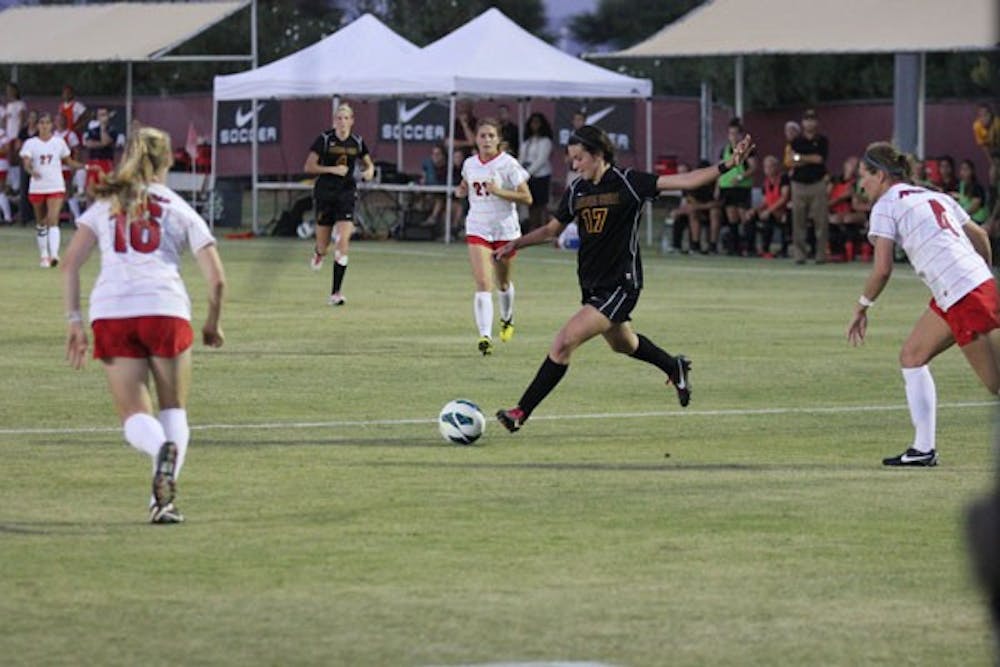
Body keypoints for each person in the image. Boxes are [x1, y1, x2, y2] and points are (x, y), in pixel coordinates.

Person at [494, 125, 753, 432]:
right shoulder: (577, 190)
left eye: (579, 158)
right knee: (623, 344)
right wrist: (516, 243)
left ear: (598, 154)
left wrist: (728, 164)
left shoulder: (629, 183)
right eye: (571, 160)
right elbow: (552, 230)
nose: (574, 166)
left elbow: (685, 180)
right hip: (592, 284)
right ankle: (674, 366)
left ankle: (520, 412)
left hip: (621, 283)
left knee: (564, 342)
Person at [61, 125, 226, 523]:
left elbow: (69, 265)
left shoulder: (105, 205)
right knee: (174, 411)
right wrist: (211, 324)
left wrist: (75, 322)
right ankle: (161, 500)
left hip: (112, 311)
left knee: (135, 415)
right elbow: (217, 279)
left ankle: (158, 455)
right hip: (164, 308)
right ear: (168, 159)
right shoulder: (178, 207)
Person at [846, 142, 1000, 467]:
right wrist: (981, 276)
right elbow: (982, 237)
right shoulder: (934, 195)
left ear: (882, 175)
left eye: (865, 176)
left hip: (962, 293)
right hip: (963, 289)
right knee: (912, 355)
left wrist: (861, 307)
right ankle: (923, 449)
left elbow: (882, 269)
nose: (862, 184)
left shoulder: (886, 205)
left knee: (996, 383)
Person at [454, 117, 532, 355]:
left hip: (505, 230)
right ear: (476, 140)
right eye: (482, 136)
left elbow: (527, 198)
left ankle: (507, 318)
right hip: (478, 227)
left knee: (503, 282)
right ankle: (485, 336)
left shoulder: (508, 164)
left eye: (491, 136)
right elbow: (466, 184)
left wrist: (499, 191)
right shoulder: (469, 164)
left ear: (499, 140)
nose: (486, 140)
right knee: (482, 283)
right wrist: (461, 190)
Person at [303, 103, 375, 306]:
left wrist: (369, 171)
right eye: (339, 118)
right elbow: (309, 166)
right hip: (325, 194)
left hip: (346, 194)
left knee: (343, 241)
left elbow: (369, 164)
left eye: (346, 118)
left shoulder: (357, 142)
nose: (342, 122)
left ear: (352, 121)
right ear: (334, 121)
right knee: (323, 245)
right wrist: (332, 170)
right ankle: (318, 254)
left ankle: (335, 293)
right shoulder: (325, 139)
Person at [19, 113, 83, 267]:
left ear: (51, 125)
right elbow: (26, 162)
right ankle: (44, 255)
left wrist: (85, 166)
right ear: (38, 125)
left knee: (53, 219)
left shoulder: (59, 143)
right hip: (37, 187)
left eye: (47, 123)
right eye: (41, 123)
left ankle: (54, 255)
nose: (44, 126)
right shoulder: (30, 143)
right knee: (41, 221)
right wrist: (31, 170)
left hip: (55, 185)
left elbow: (69, 161)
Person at [712, 117, 758, 255]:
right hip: (726, 187)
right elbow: (719, 169)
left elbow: (753, 167)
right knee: (732, 217)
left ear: (740, 135)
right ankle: (735, 248)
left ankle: (750, 248)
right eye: (730, 133)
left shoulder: (747, 149)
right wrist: (717, 187)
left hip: (741, 187)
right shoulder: (725, 150)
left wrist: (740, 177)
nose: (732, 136)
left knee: (744, 216)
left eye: (735, 133)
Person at [790, 109, 830, 264]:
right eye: (806, 120)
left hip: (817, 183)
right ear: (802, 122)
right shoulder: (796, 141)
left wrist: (801, 157)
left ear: (817, 122)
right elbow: (792, 160)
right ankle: (800, 255)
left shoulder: (822, 140)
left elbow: (819, 159)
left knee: (821, 222)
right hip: (798, 184)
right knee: (798, 221)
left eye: (812, 119)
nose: (809, 123)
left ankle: (821, 255)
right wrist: (807, 158)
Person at [670, 160, 719, 255]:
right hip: (698, 211)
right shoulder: (688, 185)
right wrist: (680, 210)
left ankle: (712, 246)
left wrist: (697, 206)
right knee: (687, 214)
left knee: (714, 212)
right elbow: (688, 203)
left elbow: (717, 203)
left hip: (714, 212)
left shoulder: (715, 184)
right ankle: (694, 246)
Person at [751, 155, 791, 258]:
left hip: (784, 210)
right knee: (751, 217)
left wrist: (768, 211)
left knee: (768, 218)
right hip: (771, 210)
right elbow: (765, 201)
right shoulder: (766, 182)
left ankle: (772, 249)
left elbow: (784, 198)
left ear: (777, 167)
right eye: (765, 167)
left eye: (770, 166)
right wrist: (755, 210)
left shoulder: (784, 179)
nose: (767, 170)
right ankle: (750, 248)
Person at [520, 112, 554, 232]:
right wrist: (520, 171)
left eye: (537, 123)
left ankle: (543, 228)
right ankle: (533, 228)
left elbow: (541, 160)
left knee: (541, 204)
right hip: (528, 175)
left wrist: (528, 172)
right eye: (532, 123)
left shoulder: (546, 141)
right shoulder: (527, 141)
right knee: (530, 203)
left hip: (541, 175)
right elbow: (522, 158)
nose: (534, 126)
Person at [827, 156, 866, 260]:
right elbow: (826, 200)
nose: (852, 167)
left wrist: (853, 195)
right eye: (850, 164)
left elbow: (856, 202)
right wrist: (841, 197)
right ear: (845, 165)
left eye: (856, 165)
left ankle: (849, 251)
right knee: (832, 219)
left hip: (850, 212)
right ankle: (836, 251)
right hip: (834, 210)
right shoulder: (834, 180)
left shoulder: (857, 183)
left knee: (847, 219)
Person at [82, 107, 119, 200]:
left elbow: (106, 141)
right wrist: (101, 144)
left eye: (104, 114)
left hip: (106, 162)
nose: (102, 117)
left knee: (105, 188)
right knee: (90, 190)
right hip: (93, 161)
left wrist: (103, 128)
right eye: (100, 115)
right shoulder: (92, 130)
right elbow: (88, 144)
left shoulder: (112, 130)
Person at [956, 158, 988, 225]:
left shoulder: (977, 187)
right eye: (962, 169)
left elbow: (973, 208)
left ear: (972, 171)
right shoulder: (961, 185)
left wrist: (958, 217)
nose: (963, 172)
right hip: (966, 218)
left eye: (966, 169)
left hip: (977, 220)